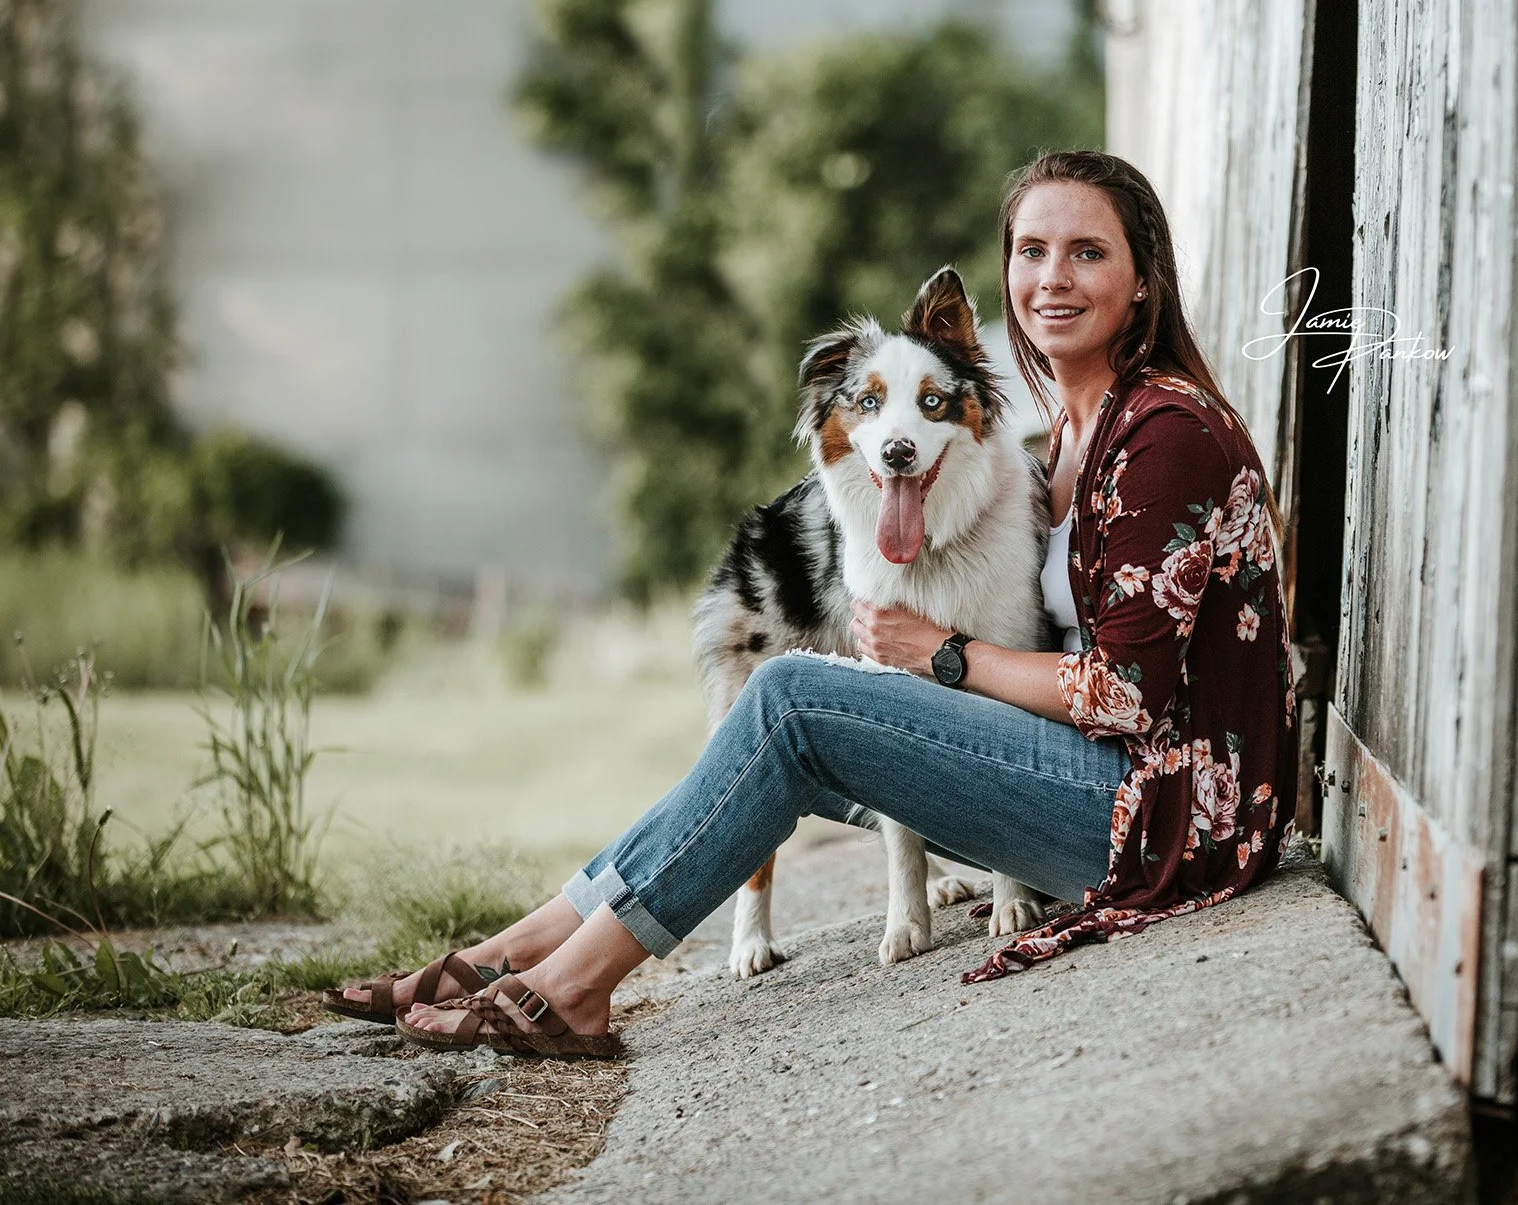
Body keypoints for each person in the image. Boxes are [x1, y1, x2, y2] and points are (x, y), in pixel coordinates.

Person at [329, 150, 1297, 1058]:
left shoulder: (1163, 432)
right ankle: (521, 948)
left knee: (793, 696)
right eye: (1031, 251)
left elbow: (1125, 692)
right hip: (1101, 786)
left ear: (1144, 281)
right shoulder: (1075, 432)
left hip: (1160, 818)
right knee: (761, 725)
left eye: (1087, 252)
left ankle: (576, 986)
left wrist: (942, 653)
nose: (1052, 277)